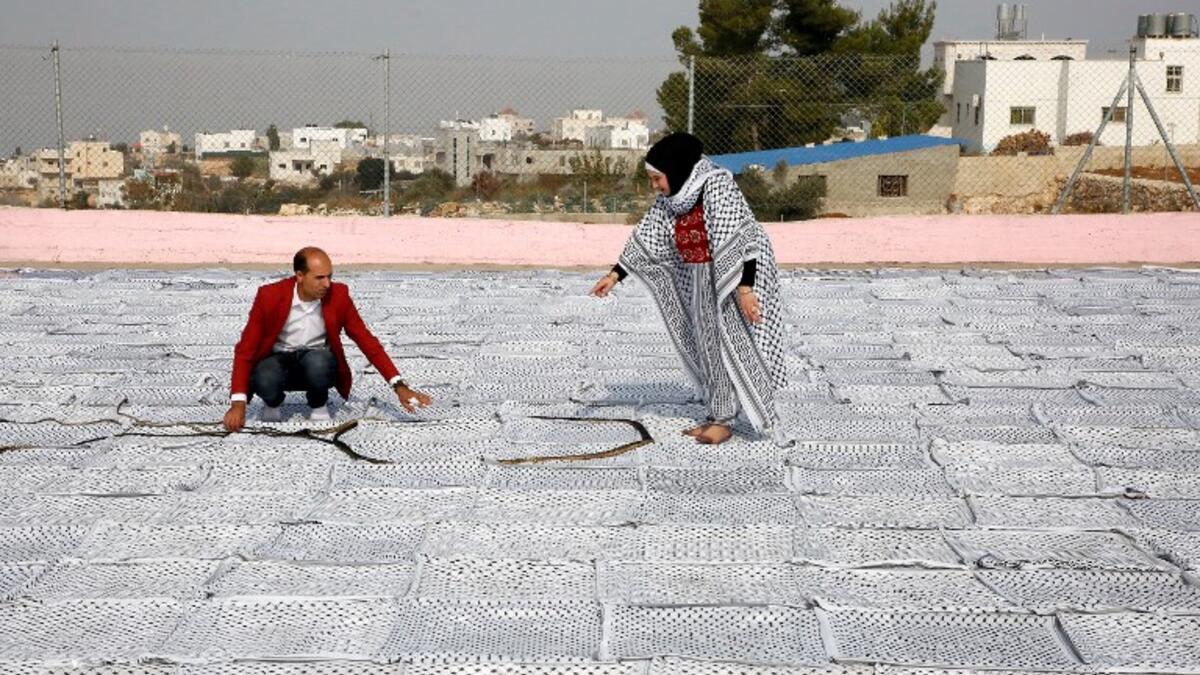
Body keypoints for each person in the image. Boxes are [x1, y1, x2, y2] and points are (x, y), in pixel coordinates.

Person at [591, 132, 786, 445]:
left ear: (676, 169)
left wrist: (746, 291)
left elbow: (744, 239)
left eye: (657, 178)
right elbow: (649, 237)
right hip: (699, 278)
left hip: (732, 280)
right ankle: (719, 414)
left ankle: (740, 415)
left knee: (734, 345)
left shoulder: (716, 187)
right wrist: (614, 276)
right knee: (707, 346)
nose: (655, 186)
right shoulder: (673, 198)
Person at [222, 246, 431, 432]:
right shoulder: (269, 296)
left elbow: (367, 341)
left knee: (319, 361)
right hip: (277, 361)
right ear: (300, 276)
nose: (327, 284)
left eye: (329, 276)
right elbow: (245, 350)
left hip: (317, 363)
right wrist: (238, 404)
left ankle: (318, 403)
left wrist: (399, 386)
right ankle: (273, 402)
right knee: (265, 375)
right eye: (320, 278)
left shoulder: (338, 296)